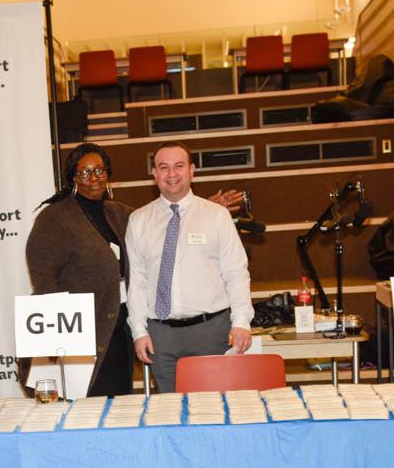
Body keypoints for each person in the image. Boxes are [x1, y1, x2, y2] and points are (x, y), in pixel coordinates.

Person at [24, 143, 245, 397]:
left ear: (108, 173)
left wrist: (201, 209)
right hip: (78, 333)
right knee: (82, 404)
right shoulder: (54, 219)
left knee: (118, 403)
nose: (93, 178)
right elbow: (42, 274)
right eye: (84, 172)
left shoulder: (119, 214)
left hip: (118, 332)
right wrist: (56, 327)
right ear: (73, 177)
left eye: (99, 170)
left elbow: (165, 220)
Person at [126, 141, 253, 393]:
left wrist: (241, 321)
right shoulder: (139, 221)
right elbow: (137, 281)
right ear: (154, 174)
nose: (171, 174)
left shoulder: (216, 216)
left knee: (214, 409)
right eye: (164, 167)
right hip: (161, 336)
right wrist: (139, 332)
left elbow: (236, 272)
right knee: (171, 410)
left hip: (211, 331)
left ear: (192, 170)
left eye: (179, 166)